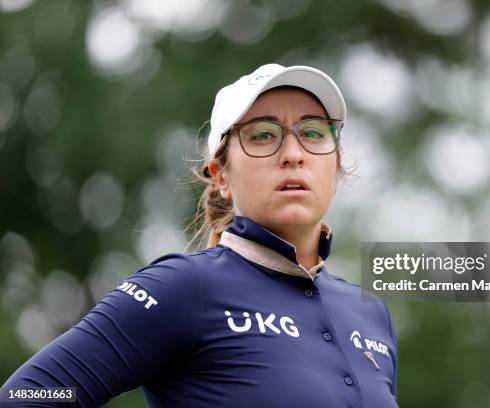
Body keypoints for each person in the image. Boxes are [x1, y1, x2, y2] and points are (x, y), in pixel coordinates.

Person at [0, 63, 398, 407]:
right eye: (262, 134)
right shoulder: (183, 288)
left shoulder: (369, 314)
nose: (293, 153)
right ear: (221, 176)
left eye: (313, 132)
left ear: (336, 163)